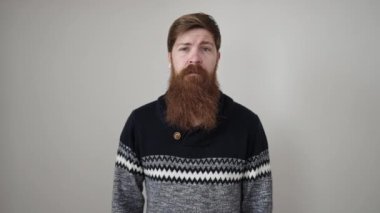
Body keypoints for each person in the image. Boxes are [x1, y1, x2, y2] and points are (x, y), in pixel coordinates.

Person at [112, 12, 272, 213]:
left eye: (205, 48)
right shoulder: (140, 123)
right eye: (184, 48)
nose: (194, 58)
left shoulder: (247, 125)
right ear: (170, 57)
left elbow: (258, 206)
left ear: (217, 58)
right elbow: (124, 204)